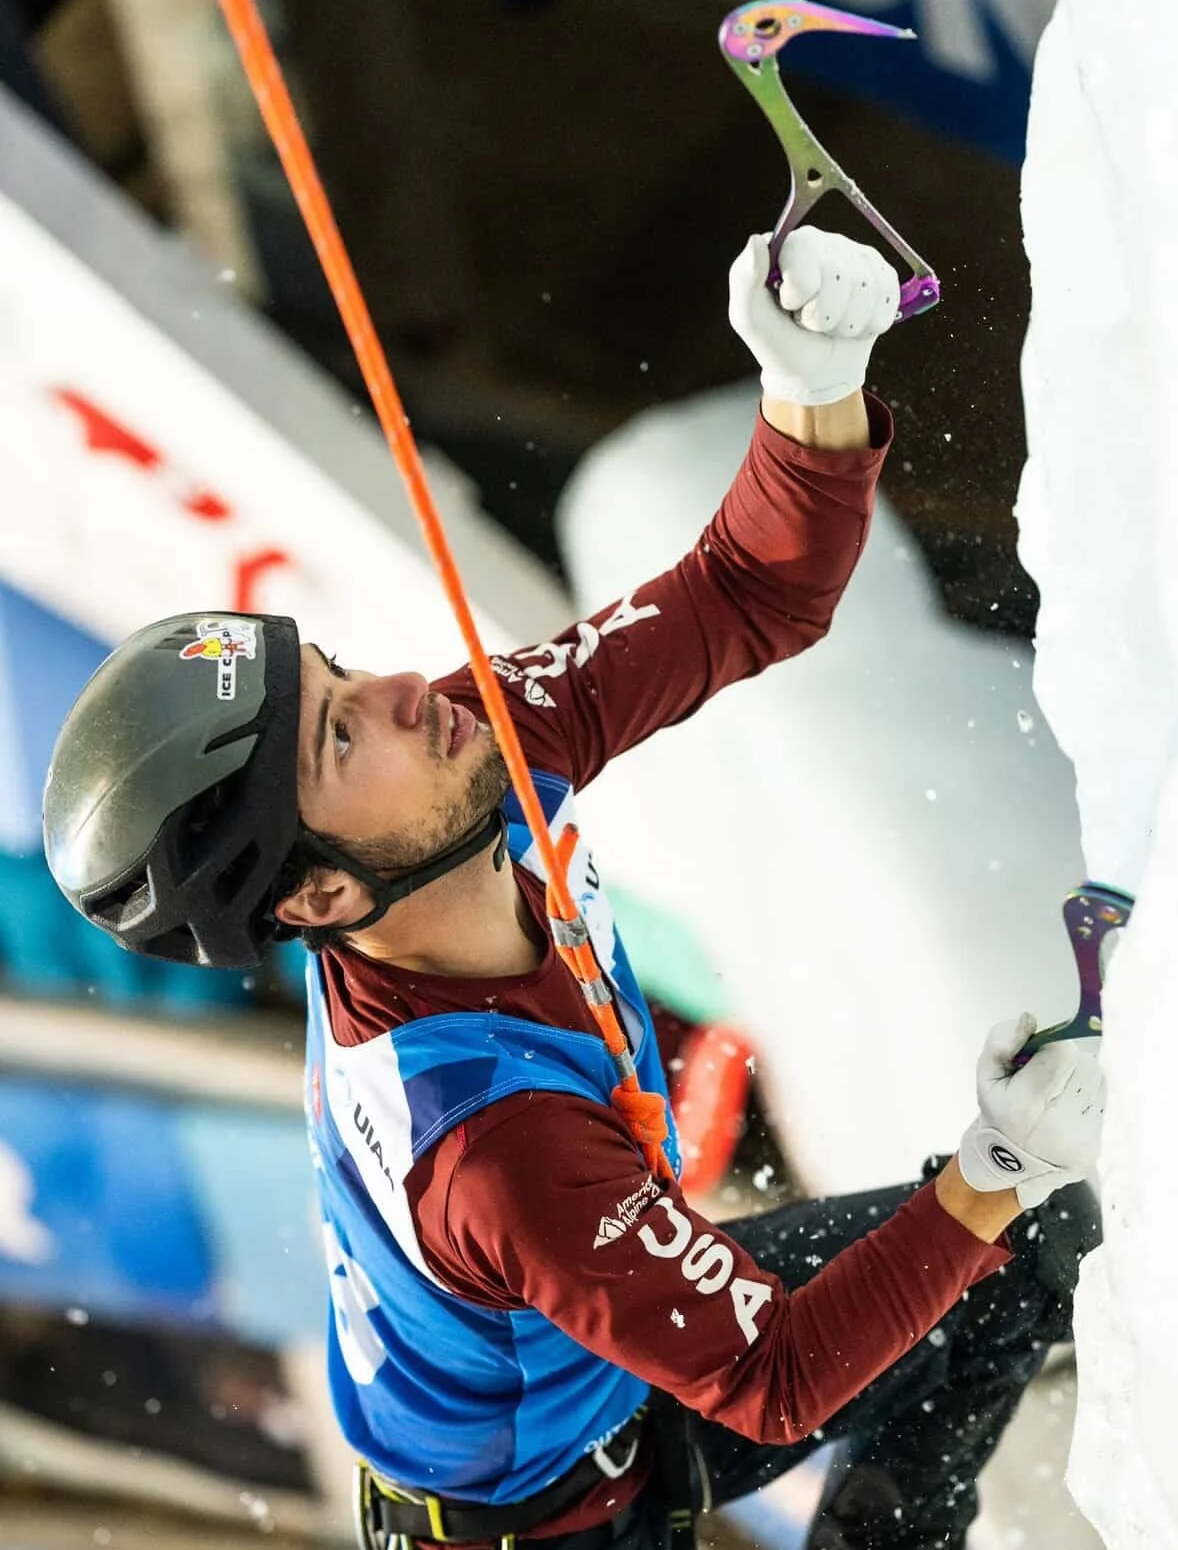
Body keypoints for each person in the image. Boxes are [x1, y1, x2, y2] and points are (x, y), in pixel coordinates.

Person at [43, 228, 1104, 1550]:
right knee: (989, 1220)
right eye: (336, 734)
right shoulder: (492, 1147)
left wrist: (812, 393)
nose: (392, 691)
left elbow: (746, 593)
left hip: (583, 1396)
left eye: (328, 670)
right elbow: (772, 1378)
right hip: (547, 1526)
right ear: (316, 897)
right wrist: (994, 1162)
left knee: (1011, 1254)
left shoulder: (462, 756)